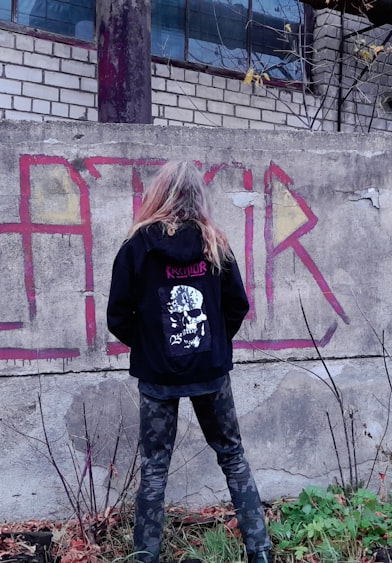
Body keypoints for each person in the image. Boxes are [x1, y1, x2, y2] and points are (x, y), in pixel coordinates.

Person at [106, 161, 272, 563]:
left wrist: (151, 348)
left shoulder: (137, 247)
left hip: (158, 377)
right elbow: (237, 306)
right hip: (210, 375)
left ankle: (145, 558)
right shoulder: (215, 243)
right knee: (233, 458)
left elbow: (117, 316)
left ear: (158, 194)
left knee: (155, 468)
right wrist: (210, 346)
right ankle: (261, 553)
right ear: (199, 196)